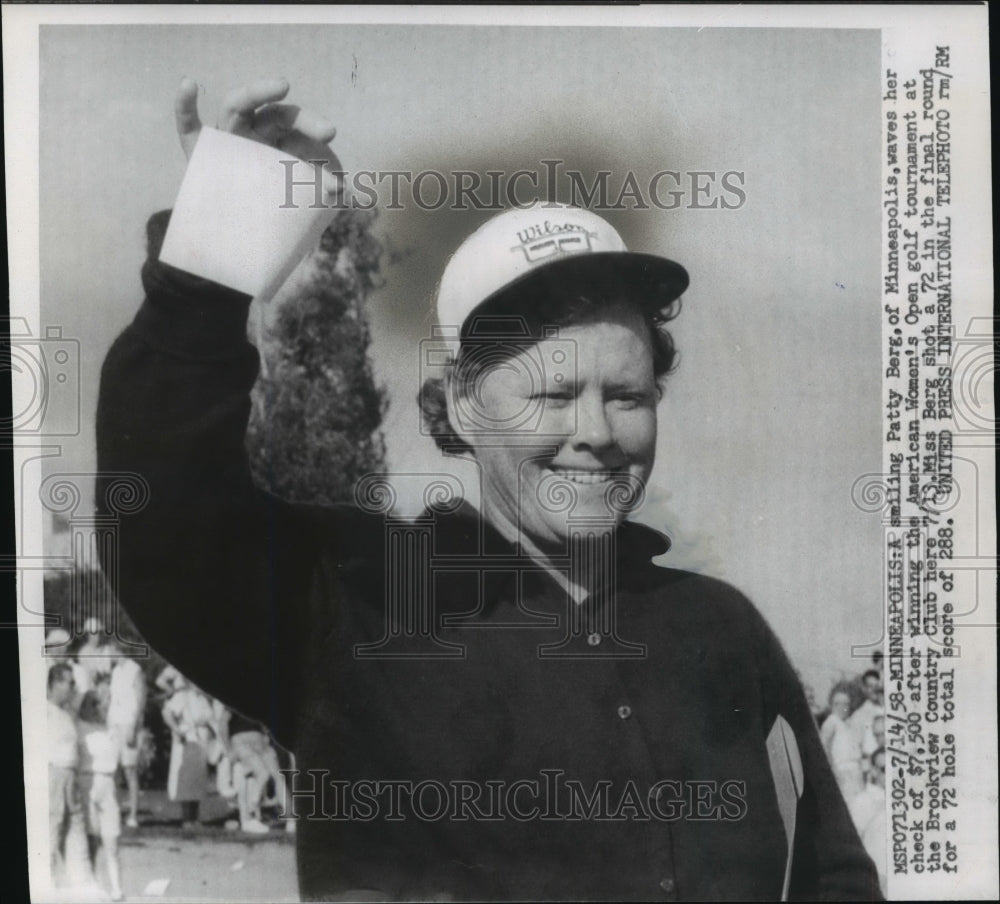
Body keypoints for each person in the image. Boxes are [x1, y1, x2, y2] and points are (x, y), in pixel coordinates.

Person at [96, 77, 881, 900]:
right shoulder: (357, 603)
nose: (599, 433)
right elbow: (160, 505)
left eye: (627, 394)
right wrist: (218, 246)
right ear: (463, 405)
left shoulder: (720, 625)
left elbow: (832, 875)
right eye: (550, 394)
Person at [47, 663, 95, 892]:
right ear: (55, 683)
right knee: (53, 826)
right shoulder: (43, 710)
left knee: (76, 825)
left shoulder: (67, 713)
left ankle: (82, 882)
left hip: (70, 774)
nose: (72, 687)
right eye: (69, 682)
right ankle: (47, 882)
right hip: (53, 773)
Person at [77, 679, 125, 901]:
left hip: (108, 783)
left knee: (111, 839)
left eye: (106, 703)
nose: (104, 707)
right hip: (88, 781)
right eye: (99, 703)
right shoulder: (80, 728)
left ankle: (116, 887)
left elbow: (116, 759)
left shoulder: (112, 730)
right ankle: (93, 885)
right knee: (92, 839)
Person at [159, 669, 214, 828]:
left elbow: (210, 719)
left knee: (198, 778)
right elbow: (166, 713)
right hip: (186, 738)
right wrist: (176, 729)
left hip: (202, 739)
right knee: (185, 778)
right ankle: (186, 818)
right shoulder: (182, 696)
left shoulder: (203, 699)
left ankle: (195, 817)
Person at [103, 639, 147, 829]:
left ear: (118, 649)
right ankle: (115, 812)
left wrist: (134, 726)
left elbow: (141, 700)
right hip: (114, 725)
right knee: (113, 771)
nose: (108, 654)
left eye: (110, 650)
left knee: (130, 771)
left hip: (129, 724)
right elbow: (112, 701)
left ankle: (133, 815)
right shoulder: (115, 672)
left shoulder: (134, 669)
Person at [820, 682, 865, 801]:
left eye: (846, 704)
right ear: (832, 705)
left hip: (854, 771)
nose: (843, 707)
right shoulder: (831, 721)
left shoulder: (847, 723)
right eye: (837, 704)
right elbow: (824, 749)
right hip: (842, 772)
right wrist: (834, 772)